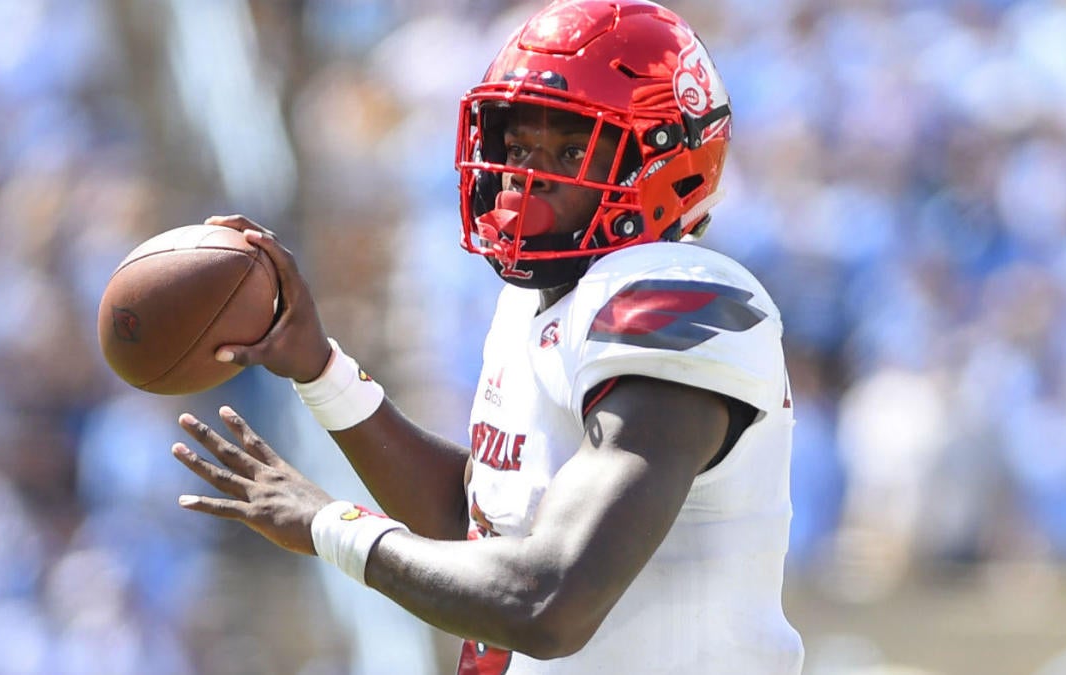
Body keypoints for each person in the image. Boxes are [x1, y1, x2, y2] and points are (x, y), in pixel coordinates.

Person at [171, 1, 805, 672]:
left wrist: (331, 525)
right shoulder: (531, 305)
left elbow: (549, 600)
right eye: (519, 146)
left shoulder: (679, 295)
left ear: (663, 163)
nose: (529, 174)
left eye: (568, 149)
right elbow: (477, 521)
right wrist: (320, 370)